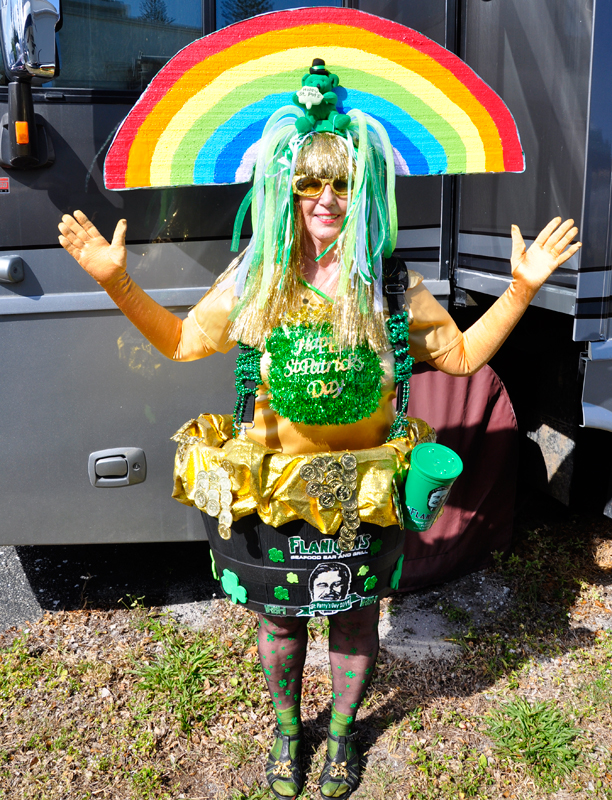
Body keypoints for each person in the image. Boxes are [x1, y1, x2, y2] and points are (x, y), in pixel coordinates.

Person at [58, 70, 580, 800]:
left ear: (361, 190)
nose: (327, 200)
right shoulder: (257, 279)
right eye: (310, 184)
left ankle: (338, 739)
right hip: (275, 489)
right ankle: (284, 735)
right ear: (286, 190)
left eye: (340, 185)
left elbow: (461, 357)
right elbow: (181, 342)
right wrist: (116, 281)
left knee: (355, 623)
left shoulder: (390, 286)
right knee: (279, 623)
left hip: (363, 495)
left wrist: (522, 289)